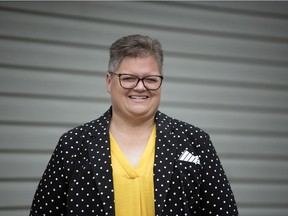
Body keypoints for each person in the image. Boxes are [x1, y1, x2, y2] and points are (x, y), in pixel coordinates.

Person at [30, 34, 238, 216]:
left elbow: (223, 211)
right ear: (108, 82)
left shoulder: (194, 141)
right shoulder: (73, 144)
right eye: (128, 78)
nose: (140, 87)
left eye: (151, 79)